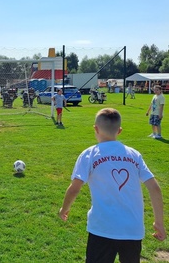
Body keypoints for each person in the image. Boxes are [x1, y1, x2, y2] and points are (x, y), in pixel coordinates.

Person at [59, 108, 166, 263]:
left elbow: (75, 188)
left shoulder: (89, 154)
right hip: (132, 229)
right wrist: (159, 223)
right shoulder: (134, 155)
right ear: (119, 131)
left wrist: (64, 209)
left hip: (102, 228)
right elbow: (154, 188)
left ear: (95, 129)